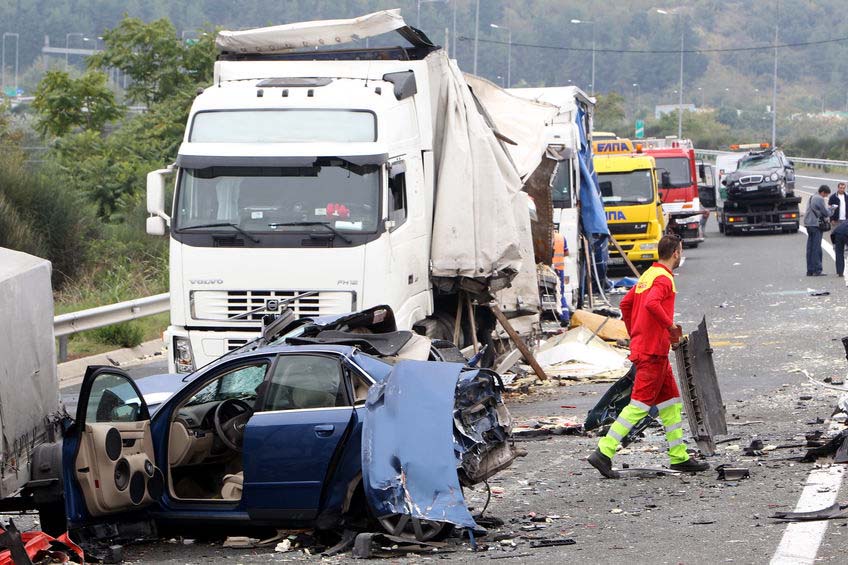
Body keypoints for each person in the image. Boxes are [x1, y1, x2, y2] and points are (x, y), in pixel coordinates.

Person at [587, 234, 709, 478]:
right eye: (681, 251)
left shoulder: (648, 275)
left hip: (651, 349)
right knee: (639, 405)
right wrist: (669, 326)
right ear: (676, 253)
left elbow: (625, 304)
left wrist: (636, 332)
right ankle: (604, 451)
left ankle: (679, 456)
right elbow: (653, 304)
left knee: (670, 403)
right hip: (653, 352)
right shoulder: (663, 278)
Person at [804, 185, 832, 276]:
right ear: (823, 192)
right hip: (815, 225)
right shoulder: (819, 198)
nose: (826, 197)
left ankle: (810, 270)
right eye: (826, 195)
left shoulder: (812, 197)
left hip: (808, 224)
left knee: (810, 247)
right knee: (816, 248)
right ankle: (817, 270)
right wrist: (832, 210)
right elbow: (825, 212)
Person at [552, 231, 571, 324]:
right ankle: (565, 317)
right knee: (560, 293)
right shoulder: (561, 237)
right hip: (559, 269)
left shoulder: (542, 236)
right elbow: (566, 253)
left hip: (547, 269)